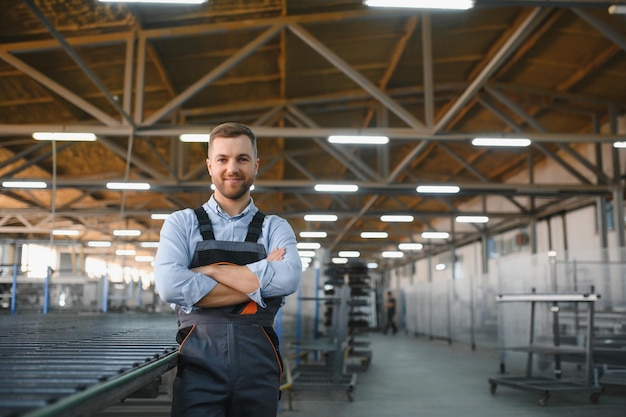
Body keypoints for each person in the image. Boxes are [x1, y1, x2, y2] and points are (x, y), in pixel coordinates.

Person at [154, 122, 302, 417]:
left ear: (256, 165)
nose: (232, 168)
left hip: (257, 369)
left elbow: (288, 279)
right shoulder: (181, 223)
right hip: (198, 368)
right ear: (209, 166)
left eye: (242, 159)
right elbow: (170, 286)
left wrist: (209, 271)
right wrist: (258, 279)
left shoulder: (275, 227)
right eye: (222, 159)